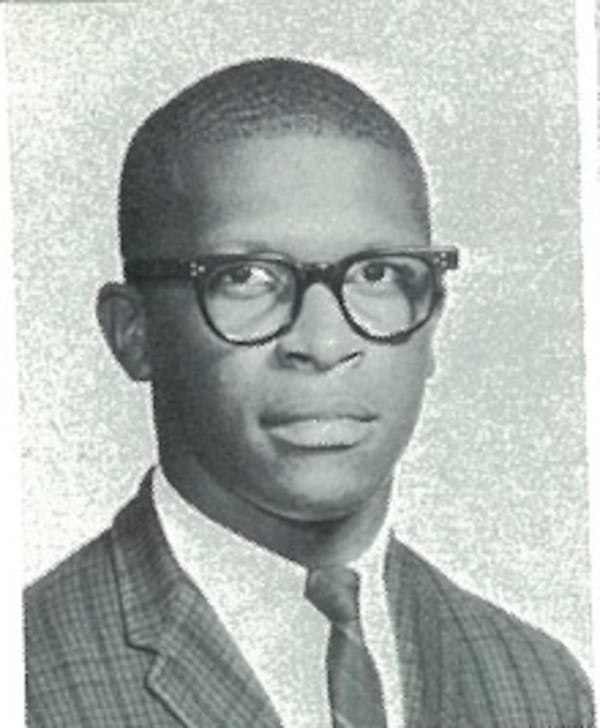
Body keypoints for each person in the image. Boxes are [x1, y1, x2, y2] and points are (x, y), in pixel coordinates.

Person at [25, 58, 594, 728]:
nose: (323, 343)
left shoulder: (540, 685)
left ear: (433, 320)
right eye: (247, 278)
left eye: (377, 273)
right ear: (134, 333)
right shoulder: (31, 678)